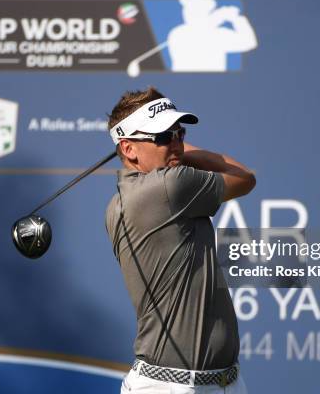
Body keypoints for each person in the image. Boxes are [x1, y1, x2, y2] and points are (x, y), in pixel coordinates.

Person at [105, 87, 256, 393]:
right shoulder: (170, 186)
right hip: (171, 387)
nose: (175, 144)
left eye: (179, 133)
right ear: (129, 148)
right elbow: (244, 177)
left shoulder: (119, 202)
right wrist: (182, 152)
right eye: (162, 137)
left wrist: (167, 146)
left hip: (215, 382)